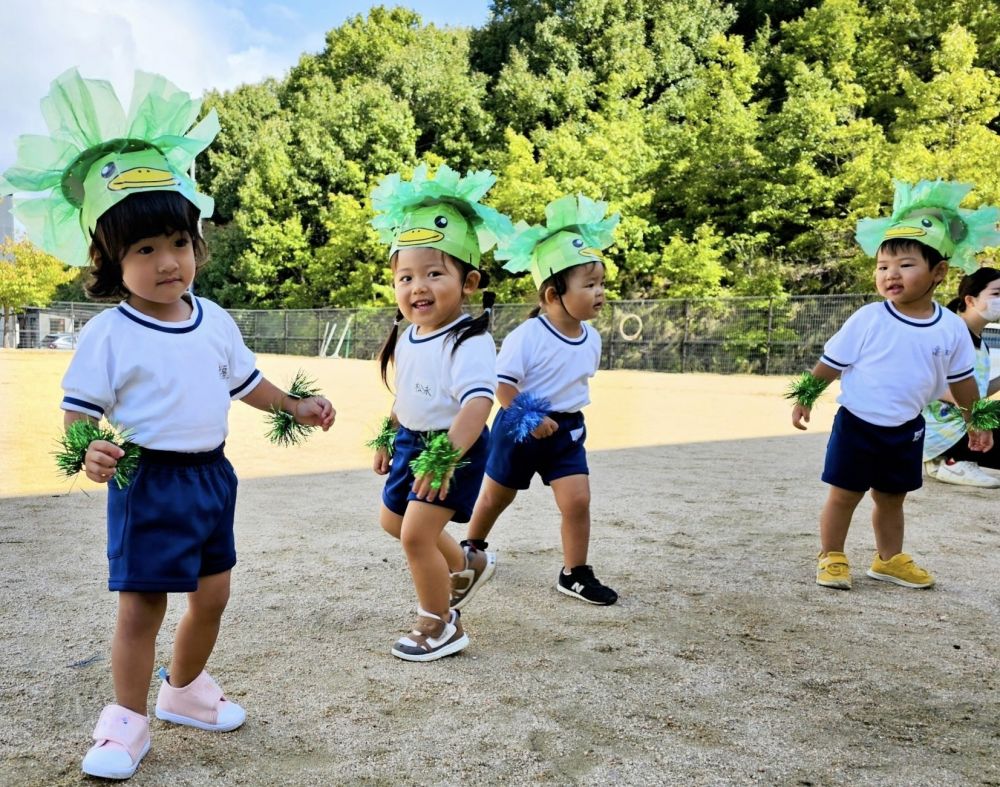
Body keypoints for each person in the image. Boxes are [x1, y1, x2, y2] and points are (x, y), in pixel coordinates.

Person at [1, 69, 335, 780]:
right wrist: (85, 449)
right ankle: (125, 722)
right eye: (144, 249)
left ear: (196, 243)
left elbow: (246, 383)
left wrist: (296, 406)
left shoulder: (212, 319)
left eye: (176, 242)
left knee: (213, 592)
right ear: (110, 260)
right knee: (140, 606)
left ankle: (183, 690)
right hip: (147, 478)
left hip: (212, 474)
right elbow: (79, 410)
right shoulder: (109, 334)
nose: (166, 262)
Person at [791, 179, 1000, 591]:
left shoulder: (952, 329)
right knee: (844, 494)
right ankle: (831, 555)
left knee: (892, 498)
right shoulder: (870, 318)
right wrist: (805, 397)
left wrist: (979, 422)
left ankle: (888, 559)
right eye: (883, 266)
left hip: (906, 429)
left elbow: (963, 384)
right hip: (857, 424)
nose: (891, 274)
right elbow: (830, 362)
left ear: (938, 272)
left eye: (906, 265)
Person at [368, 163, 512, 661]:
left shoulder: (469, 338)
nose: (417, 287)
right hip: (412, 440)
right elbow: (409, 390)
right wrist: (390, 434)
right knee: (394, 522)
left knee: (415, 535)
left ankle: (440, 622)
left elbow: (478, 402)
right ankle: (466, 566)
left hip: (453, 446)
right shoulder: (409, 333)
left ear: (468, 281)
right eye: (405, 276)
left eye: (434, 273)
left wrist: (446, 456)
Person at [453, 194, 621, 608]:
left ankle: (575, 573)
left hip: (566, 431)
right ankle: (469, 549)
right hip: (520, 427)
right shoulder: (527, 336)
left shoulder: (592, 337)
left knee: (577, 500)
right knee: (496, 496)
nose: (599, 292)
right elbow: (502, 387)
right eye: (589, 284)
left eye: (601, 283)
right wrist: (531, 415)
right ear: (552, 294)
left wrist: (557, 421)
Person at [923, 267, 1000, 487]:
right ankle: (950, 461)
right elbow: (929, 384)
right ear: (970, 300)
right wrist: (979, 415)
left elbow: (976, 392)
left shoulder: (980, 343)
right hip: (944, 431)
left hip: (965, 423)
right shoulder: (949, 333)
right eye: (996, 294)